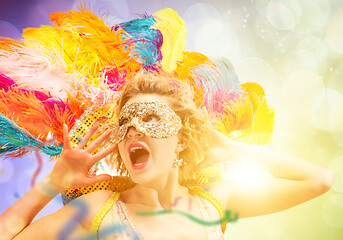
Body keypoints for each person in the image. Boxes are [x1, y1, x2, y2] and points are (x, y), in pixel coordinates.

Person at [0, 71, 335, 240]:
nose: (133, 130)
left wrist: (231, 149)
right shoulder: (99, 209)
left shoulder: (215, 202)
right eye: (126, 124)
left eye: (150, 118)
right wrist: (53, 182)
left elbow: (320, 180)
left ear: (181, 140)